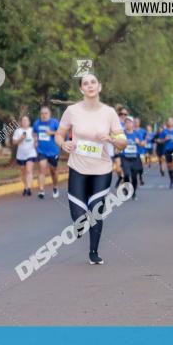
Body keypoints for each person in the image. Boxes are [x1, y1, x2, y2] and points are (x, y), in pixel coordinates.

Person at [54, 73, 126, 265]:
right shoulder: (72, 111)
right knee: (78, 216)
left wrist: (110, 139)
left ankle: (93, 252)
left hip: (101, 169)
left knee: (96, 210)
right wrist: (63, 144)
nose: (90, 85)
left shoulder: (109, 113)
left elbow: (123, 143)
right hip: (77, 167)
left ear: (99, 87)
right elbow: (59, 135)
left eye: (93, 82)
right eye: (86, 83)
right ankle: (79, 225)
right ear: (81, 89)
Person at [34, 105, 61, 198]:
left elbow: (61, 132)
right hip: (42, 151)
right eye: (42, 113)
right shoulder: (37, 123)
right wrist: (36, 140)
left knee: (53, 171)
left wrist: (52, 133)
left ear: (49, 114)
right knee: (42, 169)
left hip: (53, 151)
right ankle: (41, 190)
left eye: (46, 113)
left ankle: (55, 186)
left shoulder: (55, 123)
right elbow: (34, 133)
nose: (44, 115)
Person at [12, 115, 37, 197]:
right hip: (21, 155)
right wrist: (21, 138)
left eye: (26, 120)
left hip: (31, 153)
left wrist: (36, 142)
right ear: (21, 122)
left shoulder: (32, 130)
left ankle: (28, 188)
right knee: (23, 172)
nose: (25, 122)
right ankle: (25, 187)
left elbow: (37, 139)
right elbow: (14, 142)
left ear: (29, 122)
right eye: (23, 121)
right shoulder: (18, 131)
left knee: (29, 170)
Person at [119, 116, 143, 199]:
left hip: (135, 158)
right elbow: (118, 144)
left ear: (132, 124)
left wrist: (138, 142)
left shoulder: (137, 133)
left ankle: (133, 193)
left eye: (129, 122)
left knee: (134, 176)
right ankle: (127, 187)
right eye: (126, 122)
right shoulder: (122, 134)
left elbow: (142, 144)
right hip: (125, 157)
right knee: (126, 174)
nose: (127, 124)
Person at [157, 118, 173, 189]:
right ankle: (171, 181)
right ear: (167, 123)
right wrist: (164, 139)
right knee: (170, 166)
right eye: (168, 121)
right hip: (167, 150)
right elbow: (159, 140)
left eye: (171, 121)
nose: (170, 122)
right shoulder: (164, 131)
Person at [133, 117, 147, 185]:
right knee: (134, 167)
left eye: (137, 122)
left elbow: (145, 139)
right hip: (132, 152)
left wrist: (143, 142)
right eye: (134, 122)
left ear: (139, 123)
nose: (136, 123)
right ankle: (135, 179)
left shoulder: (143, 131)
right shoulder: (131, 130)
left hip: (141, 151)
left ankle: (140, 177)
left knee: (141, 167)